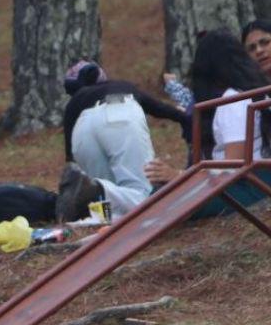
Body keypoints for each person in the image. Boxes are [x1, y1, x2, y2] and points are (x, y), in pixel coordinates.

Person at [144, 30, 271, 218]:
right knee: (161, 194)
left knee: (163, 198)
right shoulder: (253, 91)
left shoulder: (233, 100)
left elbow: (233, 168)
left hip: (248, 188)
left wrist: (178, 176)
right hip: (253, 181)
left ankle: (108, 236)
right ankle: (109, 232)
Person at [55, 60, 189, 222]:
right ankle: (98, 190)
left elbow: (70, 160)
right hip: (119, 109)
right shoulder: (122, 86)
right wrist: (185, 118)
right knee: (143, 193)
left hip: (82, 127)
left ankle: (94, 198)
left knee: (103, 204)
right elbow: (160, 108)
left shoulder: (74, 102)